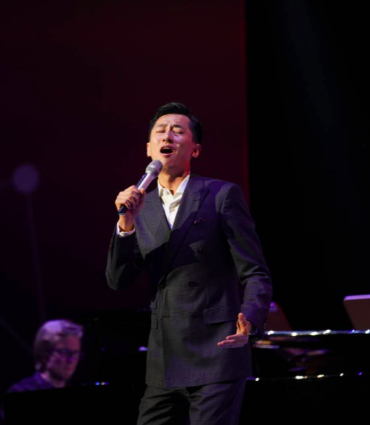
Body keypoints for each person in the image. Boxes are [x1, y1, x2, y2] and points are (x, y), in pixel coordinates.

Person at [106, 102, 272, 424]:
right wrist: (125, 225)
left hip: (217, 351)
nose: (168, 135)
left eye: (178, 131)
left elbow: (255, 271)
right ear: (149, 148)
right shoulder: (141, 206)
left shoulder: (220, 195)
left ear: (195, 150)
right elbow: (118, 280)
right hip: (164, 356)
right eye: (161, 130)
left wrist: (250, 318)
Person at [7, 319, 83, 392]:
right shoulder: (21, 389)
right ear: (45, 354)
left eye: (76, 353)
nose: (71, 360)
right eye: (65, 352)